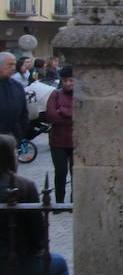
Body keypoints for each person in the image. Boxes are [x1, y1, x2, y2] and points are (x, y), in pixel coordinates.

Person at [0, 135, 69, 275]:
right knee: (59, 263)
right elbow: (37, 234)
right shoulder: (24, 186)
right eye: (15, 152)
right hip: (15, 263)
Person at [45, 65, 75, 204]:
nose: (68, 83)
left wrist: (62, 110)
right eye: (65, 80)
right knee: (60, 173)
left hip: (76, 142)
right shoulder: (55, 95)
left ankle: (75, 201)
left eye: (71, 80)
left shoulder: (81, 96)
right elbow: (52, 116)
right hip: (58, 142)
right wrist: (70, 115)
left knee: (76, 174)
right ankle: (59, 202)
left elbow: (83, 115)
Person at [0, 52, 29, 145]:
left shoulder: (17, 86)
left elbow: (24, 112)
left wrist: (21, 132)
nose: (13, 68)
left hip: (14, 138)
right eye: (10, 64)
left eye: (14, 65)